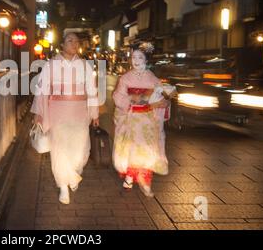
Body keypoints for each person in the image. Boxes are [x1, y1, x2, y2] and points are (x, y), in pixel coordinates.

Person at [31, 32, 99, 204]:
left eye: (76, 41)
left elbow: (92, 90)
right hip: (57, 110)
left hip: (80, 111)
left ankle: (73, 174)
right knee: (60, 148)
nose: (74, 43)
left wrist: (95, 113)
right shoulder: (51, 65)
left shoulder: (85, 65)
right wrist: (39, 113)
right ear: (62, 45)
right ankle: (63, 186)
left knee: (80, 150)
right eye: (70, 40)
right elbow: (41, 90)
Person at [112, 42, 171, 197]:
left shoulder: (153, 79)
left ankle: (145, 181)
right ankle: (130, 176)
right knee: (132, 149)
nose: (136, 60)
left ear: (146, 60)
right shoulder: (125, 78)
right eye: (133, 57)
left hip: (147, 119)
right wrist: (131, 98)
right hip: (131, 118)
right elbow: (118, 96)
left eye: (140, 57)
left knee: (147, 150)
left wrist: (162, 101)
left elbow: (162, 96)